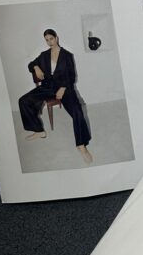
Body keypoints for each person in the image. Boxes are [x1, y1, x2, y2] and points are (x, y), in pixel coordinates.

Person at [18, 28, 93, 164]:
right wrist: (36, 67)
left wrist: (63, 88)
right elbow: (31, 64)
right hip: (47, 87)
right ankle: (39, 130)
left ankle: (81, 145)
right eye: (47, 40)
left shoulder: (67, 55)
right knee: (23, 101)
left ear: (56, 38)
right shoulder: (44, 55)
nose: (49, 42)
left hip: (65, 87)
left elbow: (72, 76)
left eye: (51, 39)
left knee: (77, 111)